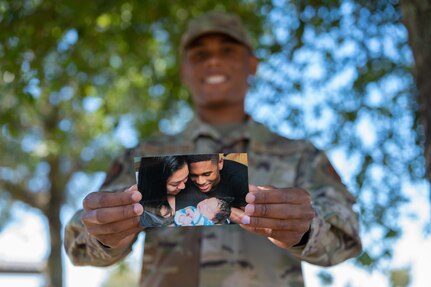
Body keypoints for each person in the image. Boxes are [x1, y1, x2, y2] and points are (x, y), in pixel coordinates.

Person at [64, 11, 362, 286]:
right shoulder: (143, 157)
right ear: (184, 71)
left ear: (252, 65)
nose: (213, 61)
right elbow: (80, 242)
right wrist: (105, 233)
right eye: (200, 54)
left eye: (228, 51)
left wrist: (307, 229)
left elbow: (347, 235)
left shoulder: (300, 155)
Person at [174, 153, 248, 211]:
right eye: (193, 175)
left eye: (207, 174)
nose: (200, 182)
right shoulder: (183, 181)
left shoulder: (241, 177)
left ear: (220, 163)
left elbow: (247, 217)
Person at [137, 155, 189, 227]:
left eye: (186, 178)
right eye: (174, 184)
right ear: (155, 183)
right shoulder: (143, 215)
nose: (183, 186)